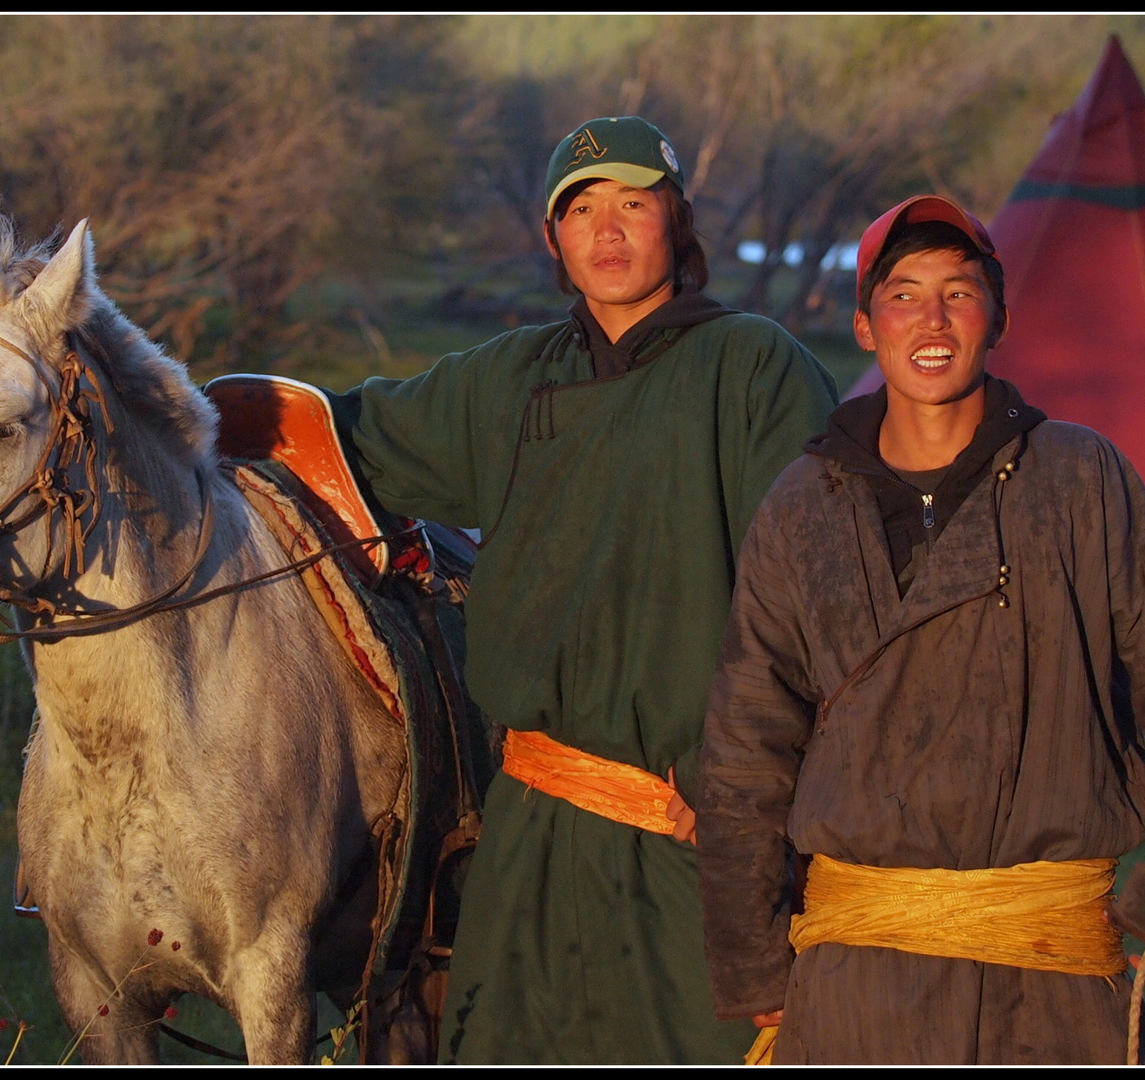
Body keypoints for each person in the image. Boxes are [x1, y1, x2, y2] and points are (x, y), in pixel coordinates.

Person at [693, 195, 1145, 1064]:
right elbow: (744, 751)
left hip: (1053, 984)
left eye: (959, 293)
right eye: (904, 294)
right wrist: (755, 960)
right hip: (857, 982)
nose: (932, 319)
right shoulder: (802, 508)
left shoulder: (1079, 479)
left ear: (998, 317)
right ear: (864, 325)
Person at [329, 117, 838, 1062]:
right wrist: (183, 406)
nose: (607, 231)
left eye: (633, 205)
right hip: (531, 824)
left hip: (694, 829)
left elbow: (811, 597)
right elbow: (349, 434)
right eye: (581, 209)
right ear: (554, 238)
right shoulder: (514, 378)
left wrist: (741, 774)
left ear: (675, 223)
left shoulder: (753, 366)